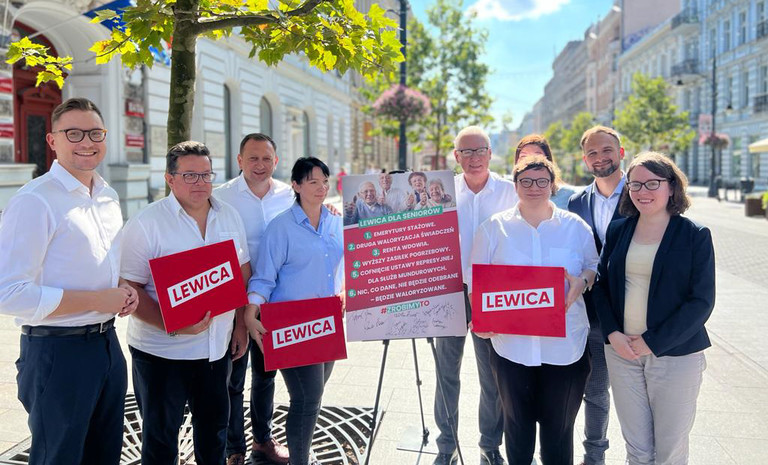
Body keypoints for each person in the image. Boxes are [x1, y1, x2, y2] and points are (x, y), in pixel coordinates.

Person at [0, 97, 138, 465]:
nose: (86, 142)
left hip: (108, 346)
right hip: (56, 353)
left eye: (95, 133)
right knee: (58, 458)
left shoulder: (108, 196)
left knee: (105, 455)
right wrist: (96, 300)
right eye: (73, 133)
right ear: (52, 141)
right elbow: (8, 293)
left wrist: (124, 290)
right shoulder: (35, 200)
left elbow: (101, 265)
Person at [121, 141, 251, 465]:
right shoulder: (146, 223)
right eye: (190, 175)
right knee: (161, 440)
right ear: (170, 179)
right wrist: (173, 324)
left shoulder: (229, 215)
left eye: (206, 175)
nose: (200, 183)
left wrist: (240, 324)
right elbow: (128, 287)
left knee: (214, 434)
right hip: (162, 355)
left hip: (216, 351)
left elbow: (242, 271)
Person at [471, 156, 598, 465]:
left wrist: (582, 281)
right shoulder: (493, 228)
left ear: (552, 185)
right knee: (517, 430)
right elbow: (477, 283)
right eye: (525, 181)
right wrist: (481, 319)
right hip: (512, 349)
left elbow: (592, 267)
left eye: (542, 181)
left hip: (565, 348)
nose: (534, 187)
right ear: (515, 185)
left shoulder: (575, 227)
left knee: (559, 433)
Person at [592, 152, 715, 464]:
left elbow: (701, 301)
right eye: (635, 184)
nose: (642, 191)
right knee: (637, 449)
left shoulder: (694, 235)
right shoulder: (619, 230)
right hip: (622, 353)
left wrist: (652, 341)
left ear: (671, 187)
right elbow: (601, 286)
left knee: (669, 450)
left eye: (652, 184)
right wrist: (612, 334)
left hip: (675, 355)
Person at [244, 157, 344, 465]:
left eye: (325, 181)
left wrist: (344, 292)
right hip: (291, 323)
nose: (321, 187)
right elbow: (264, 277)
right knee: (307, 398)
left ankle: (302, 452)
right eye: (313, 182)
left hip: (327, 320)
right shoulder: (281, 227)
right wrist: (250, 311)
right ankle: (300, 459)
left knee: (313, 397)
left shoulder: (335, 221)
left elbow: (347, 263)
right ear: (296, 186)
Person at [432, 125, 516, 465]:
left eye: (480, 150)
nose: (474, 157)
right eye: (466, 151)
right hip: (450, 290)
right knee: (446, 373)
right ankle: (446, 446)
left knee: (493, 375)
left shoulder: (510, 191)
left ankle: (490, 445)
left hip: (492, 293)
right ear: (456, 156)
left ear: (491, 153)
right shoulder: (442, 192)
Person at [214, 133, 292, 465]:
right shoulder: (221, 198)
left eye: (266, 159)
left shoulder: (289, 195)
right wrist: (237, 317)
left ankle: (263, 439)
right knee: (232, 377)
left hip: (273, 300)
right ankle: (234, 448)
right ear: (239, 160)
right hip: (233, 302)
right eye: (253, 158)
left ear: (276, 161)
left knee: (266, 375)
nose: (260, 165)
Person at [567, 125, 626, 465]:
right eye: (592, 153)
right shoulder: (577, 202)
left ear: (621, 153)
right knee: (596, 389)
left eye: (607, 150)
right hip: (590, 312)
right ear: (585, 160)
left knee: (636, 392)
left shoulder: (640, 193)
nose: (600, 157)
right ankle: (595, 455)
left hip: (632, 312)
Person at [513, 134, 575, 208]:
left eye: (537, 155)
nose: (531, 160)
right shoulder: (508, 195)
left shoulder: (568, 196)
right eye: (523, 156)